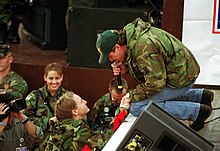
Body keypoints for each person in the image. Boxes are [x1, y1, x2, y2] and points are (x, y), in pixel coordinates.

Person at [95, 17, 214, 131]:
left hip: (181, 78)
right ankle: (201, 96)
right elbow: (149, 71)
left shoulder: (143, 47)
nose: (111, 60)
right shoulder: (133, 37)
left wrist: (131, 95)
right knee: (147, 98)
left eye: (110, 56)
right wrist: (126, 68)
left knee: (137, 107)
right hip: (179, 74)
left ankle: (197, 112)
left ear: (117, 47)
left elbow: (155, 84)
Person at [45, 91, 130, 151]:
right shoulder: (77, 132)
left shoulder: (59, 128)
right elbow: (108, 140)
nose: (85, 102)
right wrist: (123, 110)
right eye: (81, 102)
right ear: (75, 112)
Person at [22, 62, 67, 150]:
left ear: (62, 77)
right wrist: (47, 122)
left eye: (57, 78)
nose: (54, 82)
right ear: (45, 78)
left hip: (60, 143)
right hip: (39, 143)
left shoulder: (68, 97)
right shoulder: (35, 96)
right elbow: (24, 119)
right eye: (51, 78)